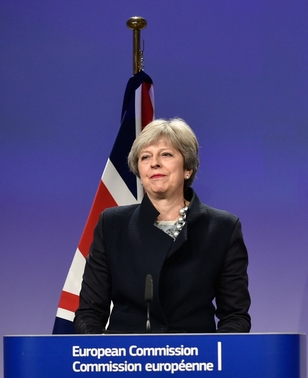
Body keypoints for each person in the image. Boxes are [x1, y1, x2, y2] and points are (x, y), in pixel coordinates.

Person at [74, 118, 251, 333]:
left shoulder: (222, 228)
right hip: (126, 359)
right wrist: (103, 358)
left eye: (166, 154)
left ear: (188, 168)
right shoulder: (112, 225)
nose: (154, 163)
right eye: (145, 157)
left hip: (194, 359)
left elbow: (235, 317)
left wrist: (214, 358)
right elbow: (89, 314)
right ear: (139, 171)